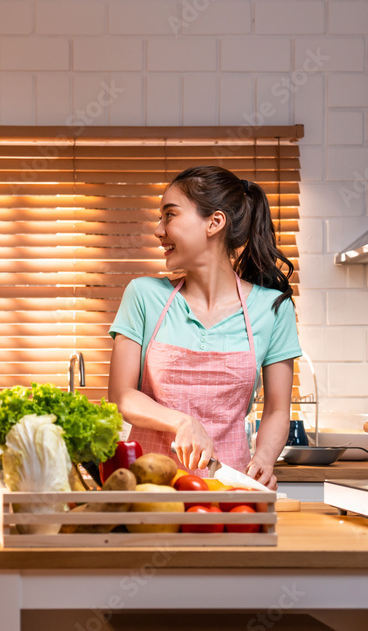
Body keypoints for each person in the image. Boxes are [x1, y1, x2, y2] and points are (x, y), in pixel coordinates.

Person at [107, 166, 301, 489]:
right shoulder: (143, 295)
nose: (158, 230)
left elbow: (278, 409)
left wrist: (265, 459)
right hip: (149, 488)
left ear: (215, 222)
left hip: (228, 489)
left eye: (169, 215)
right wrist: (184, 422)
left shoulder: (273, 309)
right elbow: (121, 396)